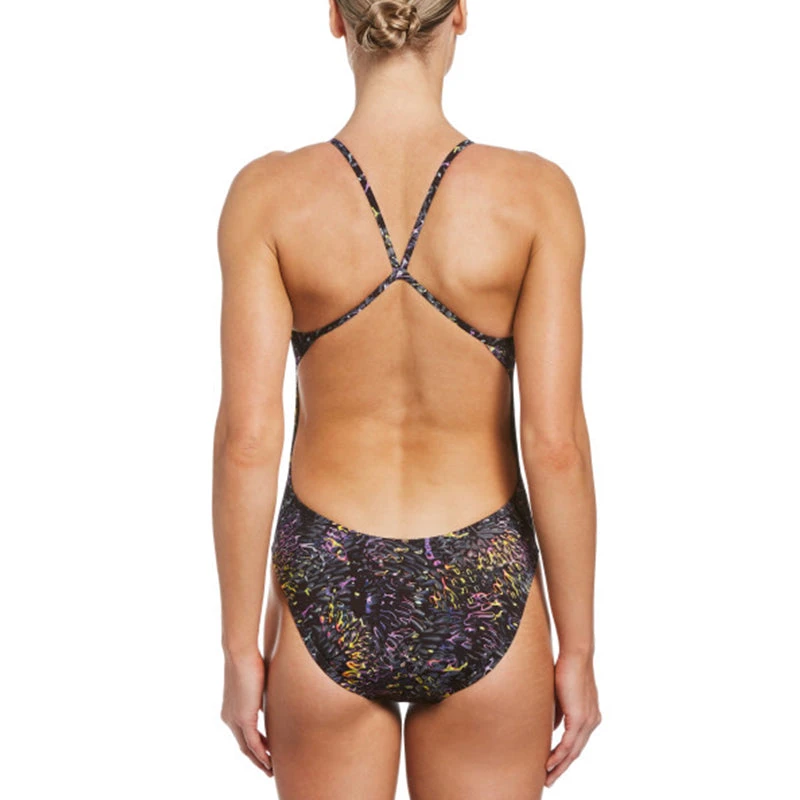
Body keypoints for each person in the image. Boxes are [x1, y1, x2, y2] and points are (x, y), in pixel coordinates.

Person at [212, 1, 601, 796]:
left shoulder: (269, 195)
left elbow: (248, 440)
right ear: (459, 17)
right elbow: (554, 445)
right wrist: (580, 650)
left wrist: (238, 650)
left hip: (326, 579)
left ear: (335, 18)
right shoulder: (535, 196)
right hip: (485, 578)